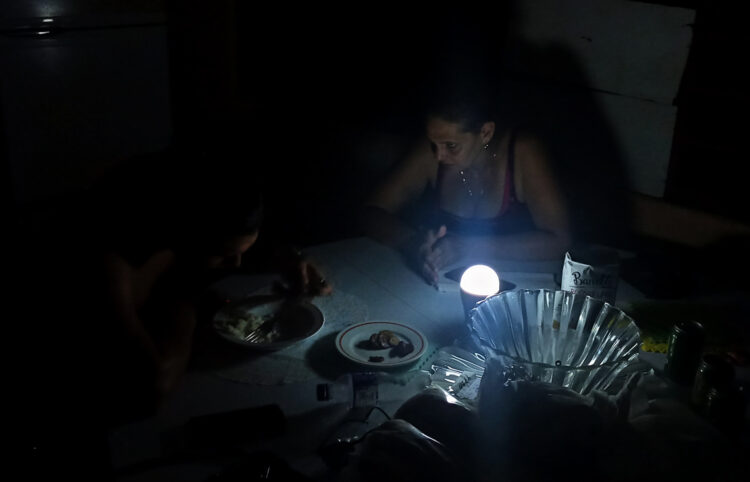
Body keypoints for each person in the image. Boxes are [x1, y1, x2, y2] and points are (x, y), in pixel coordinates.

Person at [360, 82, 572, 284]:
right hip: (439, 287)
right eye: (434, 143)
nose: (439, 156)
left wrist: (470, 247)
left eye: (451, 145)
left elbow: (559, 240)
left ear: (485, 133)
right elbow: (371, 212)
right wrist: (413, 242)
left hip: (512, 288)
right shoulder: (433, 151)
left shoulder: (522, 151)